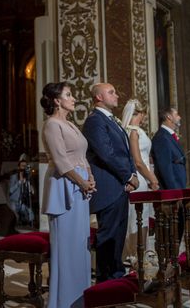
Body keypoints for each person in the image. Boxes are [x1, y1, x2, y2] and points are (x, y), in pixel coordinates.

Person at [41, 82, 95, 308]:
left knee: (81, 243)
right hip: (65, 186)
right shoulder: (52, 125)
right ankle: (63, 301)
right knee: (67, 246)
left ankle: (80, 298)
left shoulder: (70, 124)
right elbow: (61, 161)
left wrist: (91, 177)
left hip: (80, 186)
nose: (73, 99)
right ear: (56, 100)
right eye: (69, 95)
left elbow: (82, 155)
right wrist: (83, 182)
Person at [83, 82, 138, 283]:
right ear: (99, 97)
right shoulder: (95, 121)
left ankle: (116, 280)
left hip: (119, 186)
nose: (116, 95)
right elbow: (106, 154)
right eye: (111, 92)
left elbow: (125, 152)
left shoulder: (110, 120)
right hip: (108, 188)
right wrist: (128, 176)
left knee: (117, 238)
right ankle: (106, 285)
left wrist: (131, 175)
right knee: (108, 238)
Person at [121, 99, 158, 258]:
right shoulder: (133, 132)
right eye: (143, 114)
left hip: (143, 179)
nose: (144, 118)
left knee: (141, 218)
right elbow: (138, 161)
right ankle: (135, 255)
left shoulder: (133, 130)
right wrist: (153, 179)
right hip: (140, 180)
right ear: (140, 113)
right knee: (137, 219)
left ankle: (140, 255)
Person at [151, 107, 186, 190]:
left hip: (179, 185)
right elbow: (165, 167)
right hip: (172, 188)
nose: (179, 117)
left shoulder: (168, 135)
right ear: (169, 117)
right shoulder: (161, 137)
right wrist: (174, 190)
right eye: (177, 114)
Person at [8, 159, 35, 226]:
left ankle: (24, 224)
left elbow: (32, 192)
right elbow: (10, 190)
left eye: (25, 166)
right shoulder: (13, 177)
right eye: (22, 166)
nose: (24, 168)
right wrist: (19, 182)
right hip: (14, 201)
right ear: (18, 167)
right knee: (13, 218)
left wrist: (31, 188)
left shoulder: (28, 177)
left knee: (30, 216)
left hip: (22, 202)